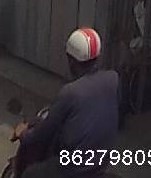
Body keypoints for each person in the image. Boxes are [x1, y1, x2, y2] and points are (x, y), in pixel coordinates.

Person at [14, 28, 120, 177]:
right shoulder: (113, 79)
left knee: (30, 174)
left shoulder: (70, 92)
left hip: (74, 168)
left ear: (71, 61)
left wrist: (23, 134)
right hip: (101, 162)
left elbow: (42, 133)